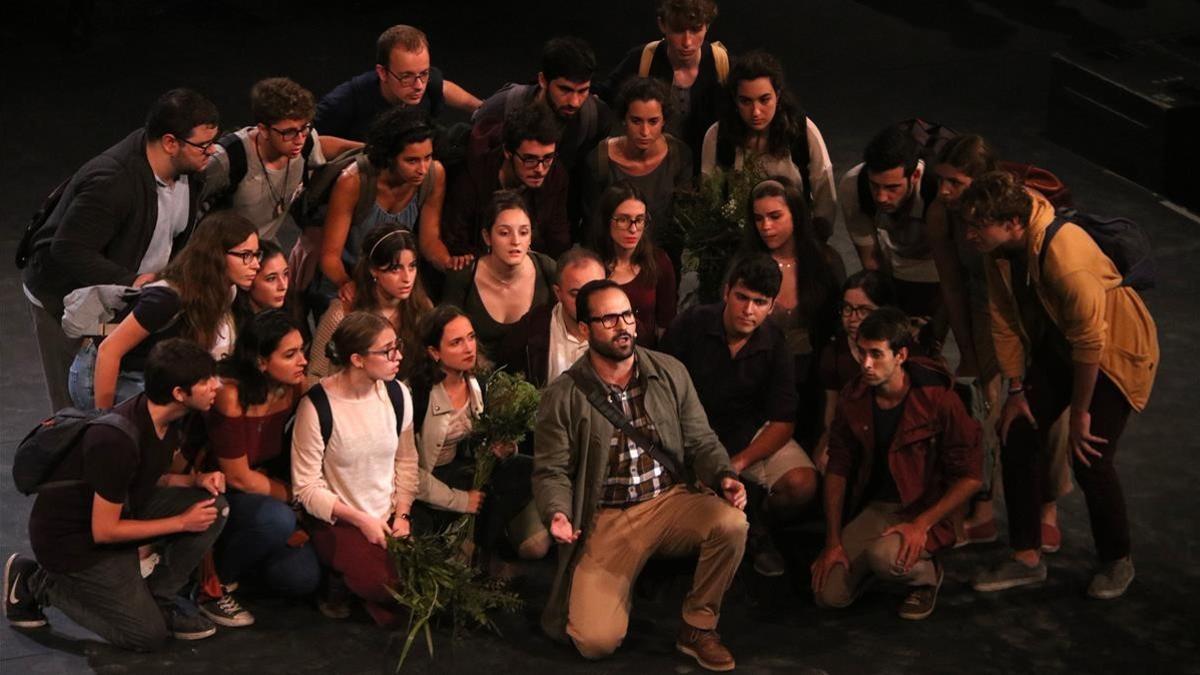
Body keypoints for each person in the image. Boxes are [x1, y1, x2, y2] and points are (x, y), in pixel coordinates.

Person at [959, 172, 1159, 599]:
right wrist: (1016, 391)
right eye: (968, 224)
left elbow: (1092, 343)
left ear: (1013, 223)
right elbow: (1005, 319)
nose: (970, 234)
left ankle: (1117, 559)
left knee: (1089, 455)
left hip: (1112, 353)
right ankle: (1026, 556)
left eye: (979, 226)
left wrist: (1081, 413)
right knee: (1017, 431)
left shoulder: (1066, 257)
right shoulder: (998, 250)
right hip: (1061, 344)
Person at [533, 279, 748, 672]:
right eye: (609, 318)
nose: (624, 326)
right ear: (585, 329)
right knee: (594, 642)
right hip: (608, 516)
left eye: (627, 314)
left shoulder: (668, 372)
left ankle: (698, 627)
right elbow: (552, 469)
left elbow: (700, 438)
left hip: (668, 501)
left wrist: (723, 476)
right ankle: (619, 589)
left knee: (732, 523)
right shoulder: (563, 395)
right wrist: (558, 513)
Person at [5, 339, 228, 650]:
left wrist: (194, 480)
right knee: (146, 636)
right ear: (179, 393)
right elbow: (105, 530)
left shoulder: (171, 418)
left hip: (121, 513)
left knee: (212, 506)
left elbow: (149, 477)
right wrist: (180, 522)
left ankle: (159, 599)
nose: (216, 386)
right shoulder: (116, 441)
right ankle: (36, 581)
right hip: (74, 543)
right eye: (205, 381)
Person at [22, 88, 219, 411]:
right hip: (67, 296)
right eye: (204, 145)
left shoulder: (189, 172)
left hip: (125, 292)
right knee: (75, 407)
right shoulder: (113, 181)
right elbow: (69, 249)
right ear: (170, 142)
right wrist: (134, 279)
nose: (211, 152)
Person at [925, 135, 1071, 549]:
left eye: (955, 182)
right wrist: (967, 349)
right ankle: (984, 507)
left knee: (1048, 410)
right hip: (982, 310)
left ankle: (1047, 505)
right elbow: (951, 285)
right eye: (941, 180)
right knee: (984, 411)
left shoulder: (1015, 211)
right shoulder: (942, 214)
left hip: (1034, 312)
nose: (945, 191)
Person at [811, 308, 983, 620]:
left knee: (885, 558)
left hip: (924, 506)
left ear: (900, 355)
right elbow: (839, 465)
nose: (866, 364)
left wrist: (923, 523)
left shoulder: (937, 398)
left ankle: (927, 577)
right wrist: (833, 541)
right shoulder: (855, 395)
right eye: (862, 353)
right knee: (828, 595)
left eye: (876, 354)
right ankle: (883, 567)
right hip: (878, 507)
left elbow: (971, 476)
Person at [661, 254, 817, 577]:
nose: (748, 310)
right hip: (691, 434)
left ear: (771, 306)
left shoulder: (775, 342)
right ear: (727, 292)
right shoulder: (691, 325)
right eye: (742, 298)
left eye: (759, 302)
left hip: (748, 434)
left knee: (802, 484)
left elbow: (783, 421)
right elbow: (659, 394)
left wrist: (738, 463)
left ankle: (759, 528)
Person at [291, 311, 419, 626]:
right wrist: (361, 520)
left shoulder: (397, 393)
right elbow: (305, 488)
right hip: (340, 520)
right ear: (358, 359)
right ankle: (338, 582)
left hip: (387, 515)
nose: (398, 355)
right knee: (389, 588)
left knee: (421, 585)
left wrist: (402, 515)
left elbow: (406, 459)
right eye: (388, 350)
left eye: (397, 345)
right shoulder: (318, 405)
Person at [198, 310, 320, 627]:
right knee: (278, 519)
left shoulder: (294, 387)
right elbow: (237, 476)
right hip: (215, 493)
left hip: (259, 493)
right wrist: (296, 497)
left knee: (302, 578)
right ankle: (210, 586)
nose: (302, 361)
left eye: (302, 351)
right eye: (290, 355)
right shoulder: (230, 394)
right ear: (261, 362)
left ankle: (244, 567)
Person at [69, 212, 261, 411]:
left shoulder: (227, 291)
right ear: (217, 255)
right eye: (246, 255)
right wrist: (105, 422)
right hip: (102, 375)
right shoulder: (167, 298)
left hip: (151, 372)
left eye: (256, 255)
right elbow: (109, 351)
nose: (256, 264)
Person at [407, 306, 550, 564]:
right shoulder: (415, 395)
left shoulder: (480, 385)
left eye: (471, 337)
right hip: (427, 489)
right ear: (434, 352)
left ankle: (489, 549)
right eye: (456, 342)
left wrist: (507, 449)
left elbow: (488, 441)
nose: (469, 348)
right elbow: (407, 473)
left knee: (527, 468)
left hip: (468, 474)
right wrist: (460, 501)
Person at [744, 177, 843, 449]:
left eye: (775, 216)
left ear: (796, 215)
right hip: (761, 381)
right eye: (759, 218)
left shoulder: (825, 262)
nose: (766, 226)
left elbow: (837, 326)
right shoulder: (747, 267)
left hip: (815, 381)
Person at [203, 77, 362, 242]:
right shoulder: (227, 159)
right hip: (223, 251)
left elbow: (324, 145)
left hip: (264, 245)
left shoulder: (305, 143)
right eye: (289, 132)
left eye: (304, 128)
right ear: (263, 130)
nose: (299, 139)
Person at [316, 107, 446, 309]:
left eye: (428, 157)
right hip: (349, 277)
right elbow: (330, 256)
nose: (422, 168)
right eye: (412, 160)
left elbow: (429, 243)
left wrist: (452, 264)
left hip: (395, 280)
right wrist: (347, 284)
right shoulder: (353, 181)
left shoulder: (434, 175)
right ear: (389, 157)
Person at [701, 51, 837, 241]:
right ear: (734, 99)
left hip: (796, 237)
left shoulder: (802, 131)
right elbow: (709, 195)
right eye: (745, 101)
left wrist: (816, 239)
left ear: (778, 95)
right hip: (739, 239)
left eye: (764, 100)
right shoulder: (718, 136)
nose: (756, 112)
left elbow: (824, 191)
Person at [838, 125, 945, 344]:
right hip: (893, 264)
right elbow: (871, 260)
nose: (882, 197)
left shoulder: (937, 190)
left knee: (925, 344)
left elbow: (954, 272)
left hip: (938, 269)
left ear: (914, 175)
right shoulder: (854, 186)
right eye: (875, 186)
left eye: (892, 188)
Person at [599, 0, 727, 176]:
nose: (687, 42)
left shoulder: (720, 63)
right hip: (657, 176)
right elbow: (600, 97)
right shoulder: (644, 59)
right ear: (662, 24)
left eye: (696, 30)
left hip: (707, 176)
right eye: (678, 30)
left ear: (707, 26)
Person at [442, 191, 557, 366]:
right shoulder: (463, 277)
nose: (516, 241)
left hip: (536, 381)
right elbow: (445, 337)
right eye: (504, 233)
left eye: (524, 232)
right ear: (487, 237)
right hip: (475, 379)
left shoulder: (547, 269)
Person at [470, 36, 613, 176]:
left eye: (583, 91)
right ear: (543, 80)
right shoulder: (501, 107)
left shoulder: (597, 118)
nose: (574, 102)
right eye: (565, 89)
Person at [581, 77, 693, 253]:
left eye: (653, 121)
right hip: (611, 258)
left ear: (664, 120)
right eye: (636, 121)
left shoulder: (679, 155)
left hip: (663, 258)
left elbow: (682, 220)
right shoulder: (600, 160)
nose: (645, 132)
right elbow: (593, 226)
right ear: (624, 119)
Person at [443, 104, 571, 259]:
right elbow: (456, 241)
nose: (540, 169)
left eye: (548, 158)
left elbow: (558, 239)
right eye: (529, 159)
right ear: (508, 152)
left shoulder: (556, 175)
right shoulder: (471, 175)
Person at [309, 226, 432, 386]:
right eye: (396, 269)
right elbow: (315, 375)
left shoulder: (422, 308)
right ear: (374, 270)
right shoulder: (342, 312)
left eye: (412, 266)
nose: (407, 278)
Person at [314, 24, 482, 141]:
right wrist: (369, 150)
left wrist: (483, 107)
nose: (418, 86)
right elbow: (312, 141)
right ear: (383, 72)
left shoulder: (426, 82)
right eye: (406, 76)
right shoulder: (345, 101)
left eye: (423, 73)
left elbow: (443, 86)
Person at [813, 270, 897, 472]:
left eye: (864, 311)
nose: (852, 318)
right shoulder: (834, 352)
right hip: (850, 426)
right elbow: (831, 412)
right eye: (847, 309)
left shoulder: (898, 349)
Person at [500, 246, 607, 388]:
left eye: (595, 290)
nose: (587, 302)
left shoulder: (625, 328)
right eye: (576, 294)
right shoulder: (530, 330)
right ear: (558, 293)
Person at [590, 182, 676, 348]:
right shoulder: (592, 265)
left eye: (640, 220)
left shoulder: (659, 261)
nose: (633, 229)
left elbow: (666, 325)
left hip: (645, 357)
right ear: (606, 221)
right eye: (623, 220)